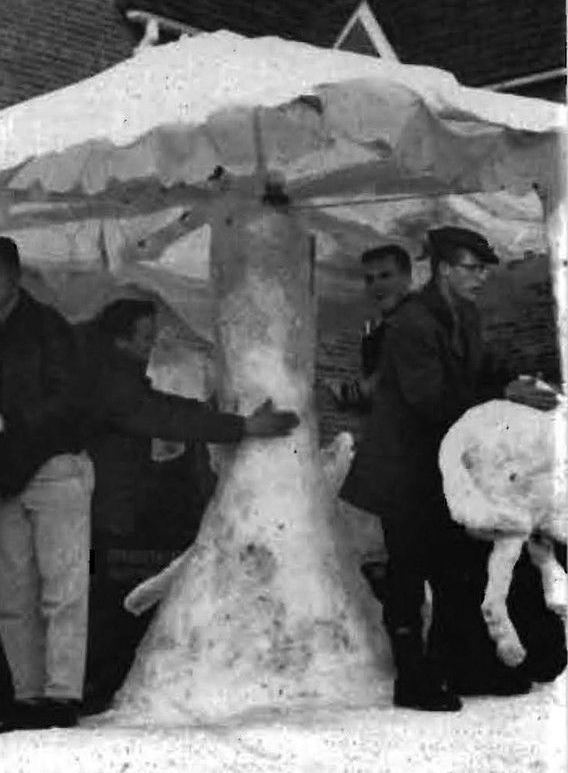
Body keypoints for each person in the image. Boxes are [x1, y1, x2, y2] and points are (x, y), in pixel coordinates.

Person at [340, 226, 557, 712]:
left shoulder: (465, 314)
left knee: (453, 569)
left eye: (483, 269)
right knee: (408, 574)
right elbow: (430, 399)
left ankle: (464, 668)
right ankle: (411, 681)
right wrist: (501, 394)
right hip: (401, 471)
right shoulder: (411, 323)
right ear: (443, 269)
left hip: (437, 468)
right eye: (471, 268)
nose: (481, 277)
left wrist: (516, 382)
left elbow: (483, 368)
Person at [81, 297, 300, 714]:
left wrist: (212, 414)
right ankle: (93, 688)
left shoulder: (114, 375)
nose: (151, 347)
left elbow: (162, 406)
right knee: (106, 601)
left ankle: (96, 684)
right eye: (145, 338)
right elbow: (159, 415)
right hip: (106, 505)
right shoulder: (112, 381)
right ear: (120, 340)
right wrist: (241, 426)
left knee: (109, 598)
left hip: (111, 502)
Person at [0, 237, 93, 732]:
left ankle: (62, 697)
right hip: (6, 477)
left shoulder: (50, 327)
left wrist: (10, 421)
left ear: (15, 273)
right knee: (14, 595)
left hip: (54, 468)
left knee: (62, 589)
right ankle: (28, 697)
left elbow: (71, 399)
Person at [328, 244, 413, 411]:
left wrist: (348, 393)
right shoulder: (376, 329)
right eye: (369, 279)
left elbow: (386, 381)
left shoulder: (414, 323)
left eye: (385, 276)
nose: (376, 286)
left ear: (407, 279)